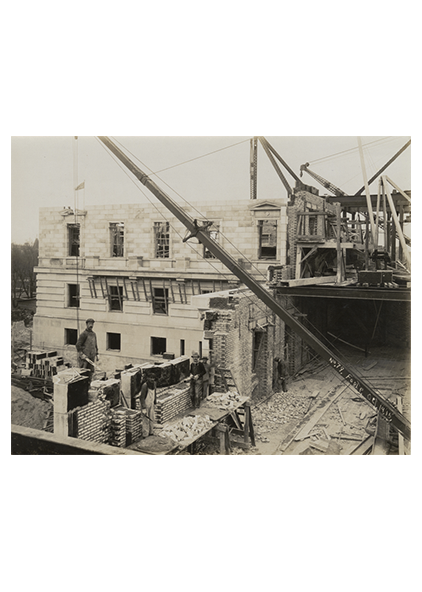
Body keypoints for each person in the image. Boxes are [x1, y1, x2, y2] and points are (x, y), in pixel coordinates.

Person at [75, 318, 98, 383]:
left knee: (91, 372)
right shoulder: (84, 334)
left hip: (91, 357)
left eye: (92, 324)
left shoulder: (94, 334)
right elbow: (78, 345)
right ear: (87, 324)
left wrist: (97, 354)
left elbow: (95, 345)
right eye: (90, 324)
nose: (91, 325)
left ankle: (89, 385)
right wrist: (81, 354)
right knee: (83, 372)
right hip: (85, 358)